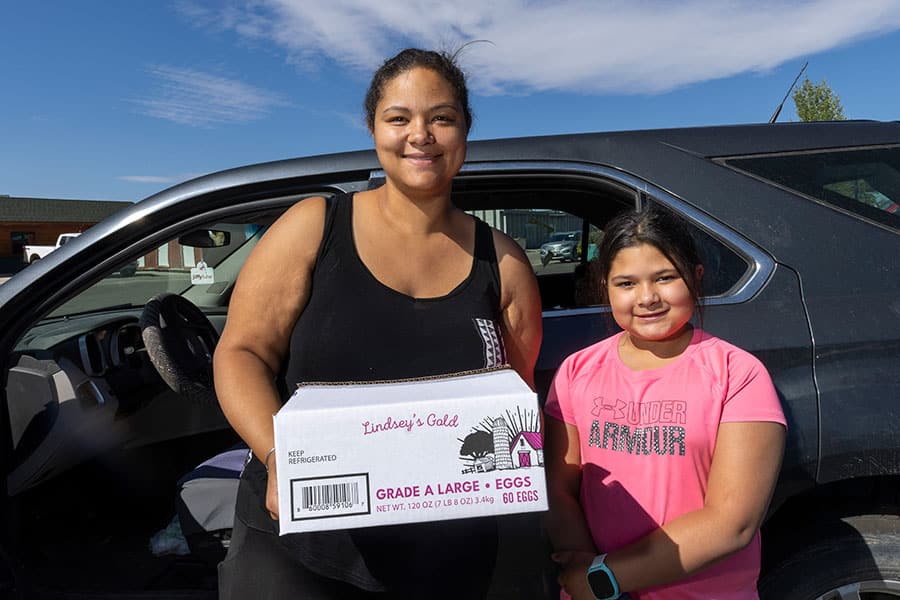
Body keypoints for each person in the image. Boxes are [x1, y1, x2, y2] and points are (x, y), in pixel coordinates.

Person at [213, 48, 542, 599]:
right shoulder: (315, 226)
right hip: (302, 546)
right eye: (399, 118)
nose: (421, 134)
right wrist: (281, 458)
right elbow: (241, 352)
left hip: (449, 553)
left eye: (442, 117)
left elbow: (514, 399)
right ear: (373, 130)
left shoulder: (503, 262)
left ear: (464, 130)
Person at [544, 205, 786, 599]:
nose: (647, 297)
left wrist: (604, 578)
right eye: (626, 283)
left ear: (696, 276)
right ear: (605, 285)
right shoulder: (576, 371)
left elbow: (732, 523)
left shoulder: (737, 373)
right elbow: (559, 486)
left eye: (665, 278)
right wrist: (582, 564)